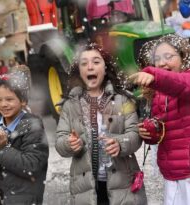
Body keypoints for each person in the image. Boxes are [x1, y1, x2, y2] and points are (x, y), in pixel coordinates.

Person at [129, 34, 190, 205]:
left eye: (169, 57)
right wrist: (152, 131)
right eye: (157, 59)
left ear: (184, 56)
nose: (161, 63)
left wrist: (154, 75)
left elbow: (183, 84)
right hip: (174, 179)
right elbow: (163, 128)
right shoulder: (160, 93)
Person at [55, 43, 147, 205]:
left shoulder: (122, 100)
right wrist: (69, 144)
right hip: (86, 186)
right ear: (79, 71)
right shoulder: (70, 105)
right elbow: (59, 141)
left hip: (122, 182)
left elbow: (134, 134)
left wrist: (120, 143)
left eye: (96, 62)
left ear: (106, 68)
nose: (90, 67)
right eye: (84, 63)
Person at [0, 71, 48, 205]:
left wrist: (1, 149)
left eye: (9, 99)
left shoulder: (32, 127)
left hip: (23, 199)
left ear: (23, 101)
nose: (3, 104)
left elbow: (32, 166)